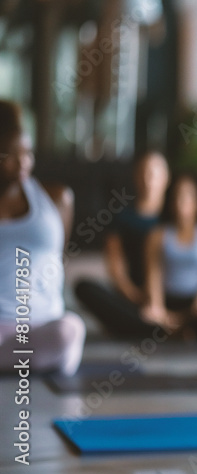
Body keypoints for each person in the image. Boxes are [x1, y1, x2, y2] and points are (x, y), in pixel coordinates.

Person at [0, 99, 85, 375]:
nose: (24, 162)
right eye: (13, 154)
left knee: (70, 329)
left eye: (29, 153)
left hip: (44, 326)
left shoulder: (57, 198)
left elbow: (59, 259)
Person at [74, 150, 171, 338]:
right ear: (135, 176)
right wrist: (140, 298)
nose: (148, 179)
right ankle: (147, 326)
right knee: (84, 288)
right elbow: (116, 271)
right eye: (143, 172)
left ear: (166, 177)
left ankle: (143, 326)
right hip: (133, 298)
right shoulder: (121, 219)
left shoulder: (173, 219)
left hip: (171, 294)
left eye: (154, 172)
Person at [142, 170, 197, 338]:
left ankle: (176, 330)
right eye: (176, 195)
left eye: (187, 195)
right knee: (145, 316)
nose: (181, 201)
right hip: (168, 302)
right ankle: (180, 330)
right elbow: (153, 276)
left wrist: (186, 316)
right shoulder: (157, 235)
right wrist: (158, 309)